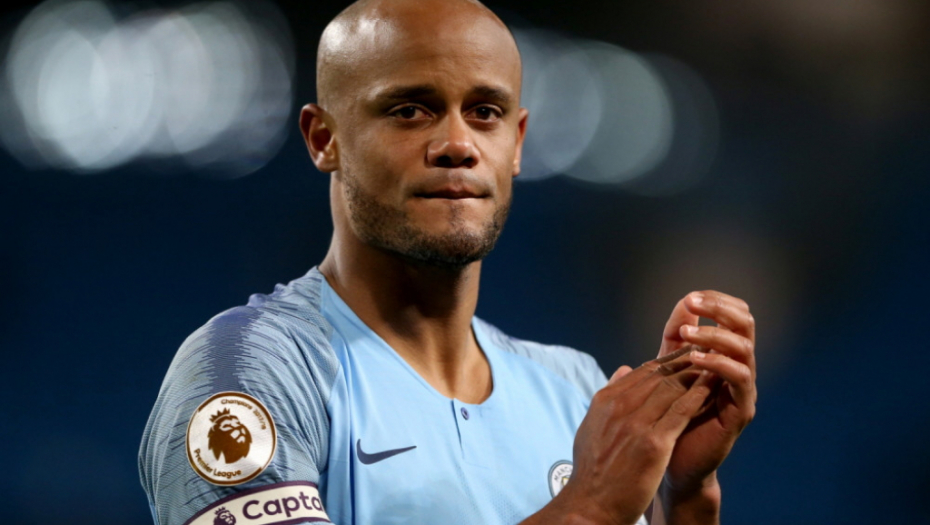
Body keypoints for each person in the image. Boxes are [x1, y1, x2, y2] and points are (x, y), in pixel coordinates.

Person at [138, 0, 757, 523]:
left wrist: (685, 497)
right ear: (324, 139)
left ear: (516, 143)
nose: (457, 144)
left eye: (485, 113)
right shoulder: (252, 370)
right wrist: (589, 507)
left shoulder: (575, 388)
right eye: (410, 110)